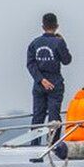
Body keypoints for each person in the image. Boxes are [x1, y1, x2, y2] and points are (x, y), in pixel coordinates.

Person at [27, 13, 72, 145]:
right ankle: (52, 144)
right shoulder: (58, 42)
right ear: (56, 26)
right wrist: (63, 42)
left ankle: (34, 145)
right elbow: (67, 60)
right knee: (54, 116)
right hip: (55, 84)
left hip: (39, 84)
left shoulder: (34, 43)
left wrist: (41, 80)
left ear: (43, 26)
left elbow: (30, 64)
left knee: (38, 116)